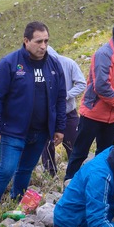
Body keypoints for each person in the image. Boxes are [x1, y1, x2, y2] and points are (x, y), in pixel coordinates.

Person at [0, 21, 66, 227]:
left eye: (46, 41)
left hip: (41, 131)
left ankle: (17, 206)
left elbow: (60, 98)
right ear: (26, 41)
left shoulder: (53, 65)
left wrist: (59, 127)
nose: (43, 46)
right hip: (13, 131)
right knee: (7, 170)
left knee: (26, 170)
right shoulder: (9, 63)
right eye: (38, 41)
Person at [64, 19, 114, 183]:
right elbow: (101, 86)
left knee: (104, 152)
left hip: (112, 117)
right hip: (93, 114)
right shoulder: (104, 55)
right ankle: (69, 181)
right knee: (80, 151)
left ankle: (98, 183)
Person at [42, 46, 86, 177]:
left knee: (74, 144)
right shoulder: (37, 68)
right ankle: (50, 174)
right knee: (47, 146)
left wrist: (66, 95)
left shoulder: (68, 63)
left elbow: (81, 84)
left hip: (68, 112)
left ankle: (76, 174)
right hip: (47, 114)